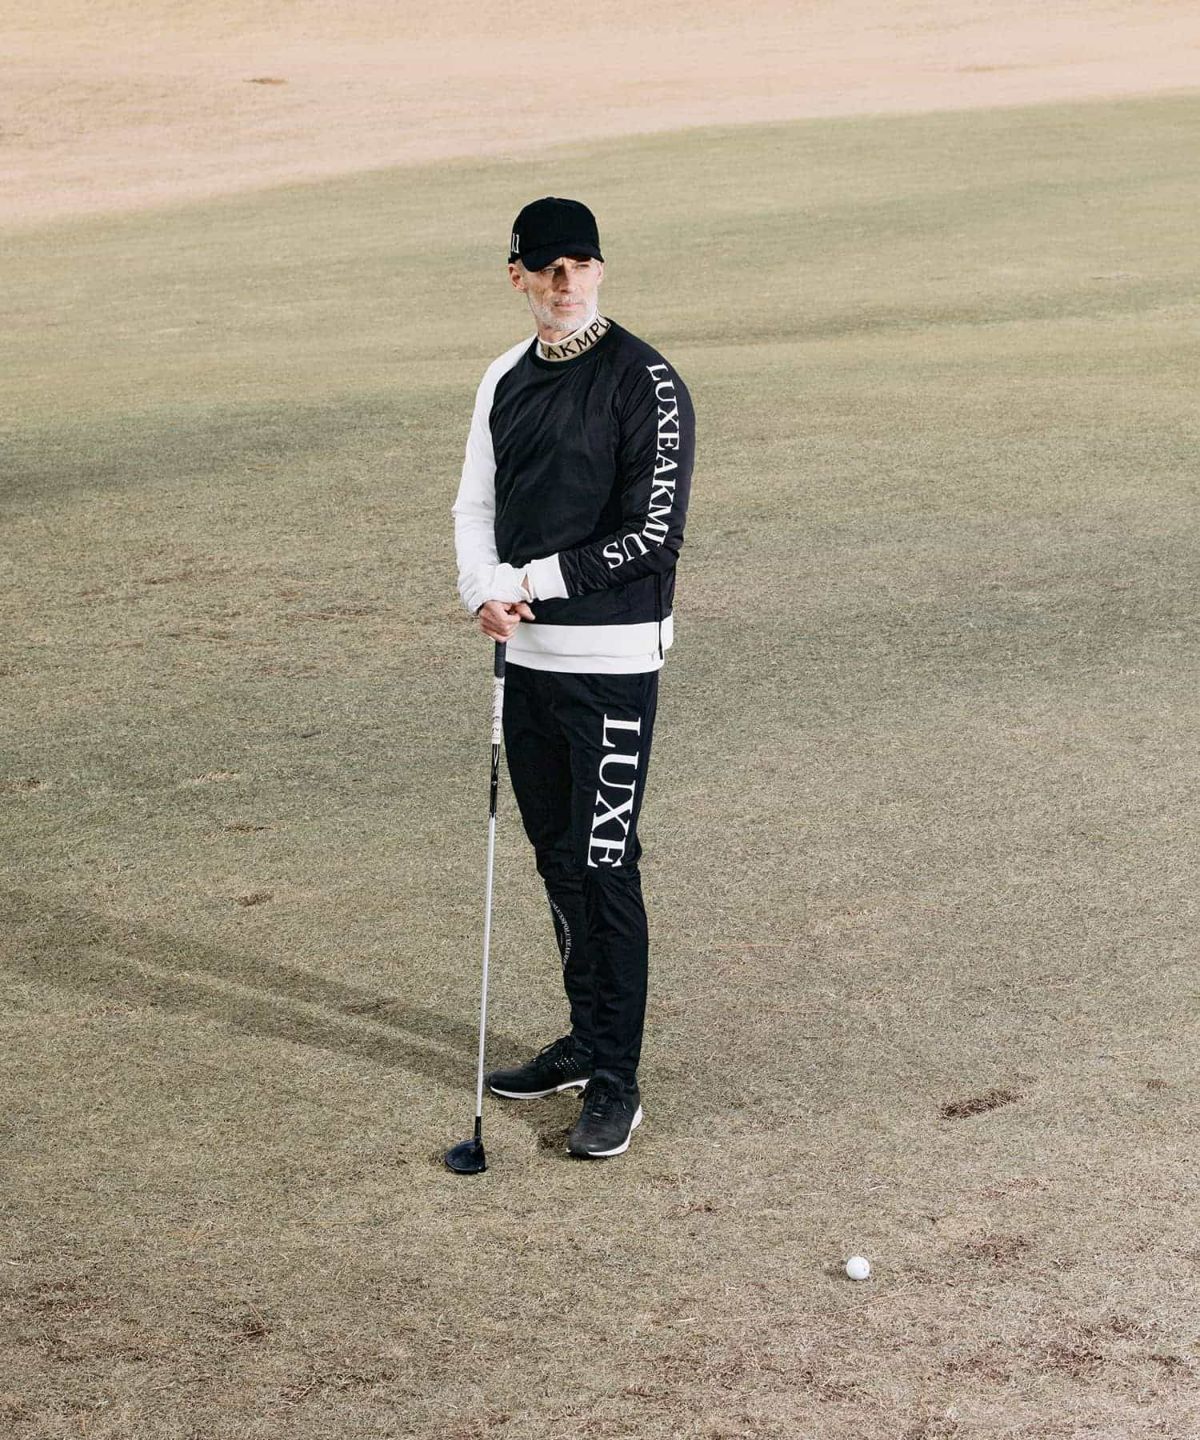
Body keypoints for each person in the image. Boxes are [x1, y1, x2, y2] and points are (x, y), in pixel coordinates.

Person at [452, 196, 694, 1159]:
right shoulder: (504, 376)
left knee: (604, 864)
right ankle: (587, 1040)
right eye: (548, 266)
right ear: (517, 275)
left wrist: (528, 584)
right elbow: (475, 506)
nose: (566, 282)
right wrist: (482, 590)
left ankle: (617, 1081)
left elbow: (652, 536)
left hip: (612, 665)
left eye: (581, 264)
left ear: (599, 270)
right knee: (556, 859)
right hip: (527, 666)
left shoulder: (647, 382)